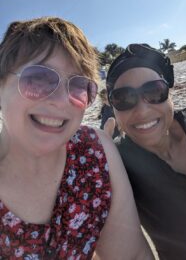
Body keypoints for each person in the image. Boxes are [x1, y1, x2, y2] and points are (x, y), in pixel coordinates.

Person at [0, 19, 154, 259]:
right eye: (39, 78)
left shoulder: (94, 153)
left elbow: (132, 255)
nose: (62, 101)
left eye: (79, 86)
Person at [106, 43, 186, 260]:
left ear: (170, 93)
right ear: (112, 108)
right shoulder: (117, 165)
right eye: (124, 99)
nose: (142, 110)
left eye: (154, 92)